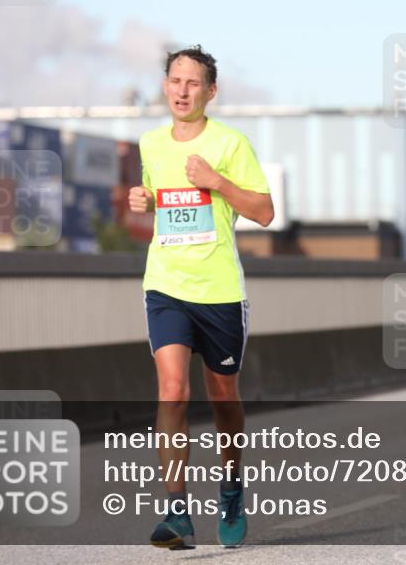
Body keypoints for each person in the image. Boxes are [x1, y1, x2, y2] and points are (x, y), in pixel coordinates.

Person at [129, 45, 274, 549]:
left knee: (222, 396)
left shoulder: (231, 143)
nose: (182, 91)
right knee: (172, 390)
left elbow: (264, 212)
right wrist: (141, 201)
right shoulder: (149, 144)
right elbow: (157, 202)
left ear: (211, 91)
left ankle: (231, 488)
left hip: (219, 291)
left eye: (193, 83)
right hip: (165, 284)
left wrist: (217, 182)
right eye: (175, 81)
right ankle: (176, 512)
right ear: (165, 85)